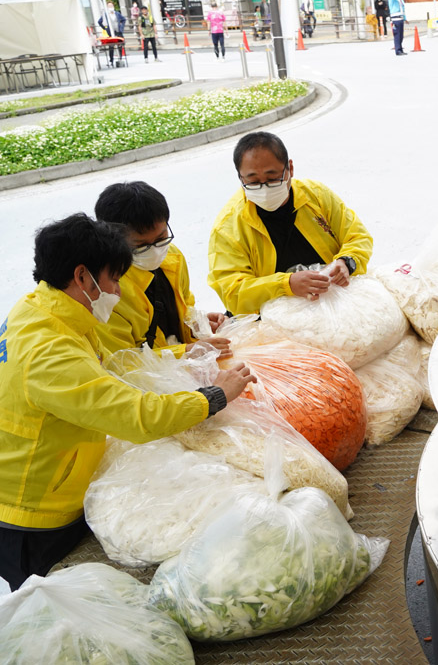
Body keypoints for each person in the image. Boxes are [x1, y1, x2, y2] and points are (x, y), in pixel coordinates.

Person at [0, 214, 254, 590]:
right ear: (83, 276)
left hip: (51, 483)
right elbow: (136, 416)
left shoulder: (46, 310)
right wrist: (214, 397)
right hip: (32, 514)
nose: (118, 291)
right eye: (115, 278)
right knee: (59, 607)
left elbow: (119, 368)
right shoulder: (50, 352)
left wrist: (183, 356)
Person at [209, 132, 374, 315]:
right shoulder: (227, 227)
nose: (264, 189)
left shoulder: (317, 196)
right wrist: (286, 285)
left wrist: (347, 262)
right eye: (253, 182)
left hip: (333, 299)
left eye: (272, 178)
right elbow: (232, 292)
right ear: (241, 178)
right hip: (270, 319)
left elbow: (358, 236)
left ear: (290, 169)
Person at [94, 182, 230, 358]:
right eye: (140, 245)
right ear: (113, 241)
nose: (156, 250)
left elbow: (184, 304)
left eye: (161, 238)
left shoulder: (172, 257)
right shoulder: (104, 290)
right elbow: (121, 361)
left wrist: (197, 325)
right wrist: (186, 352)